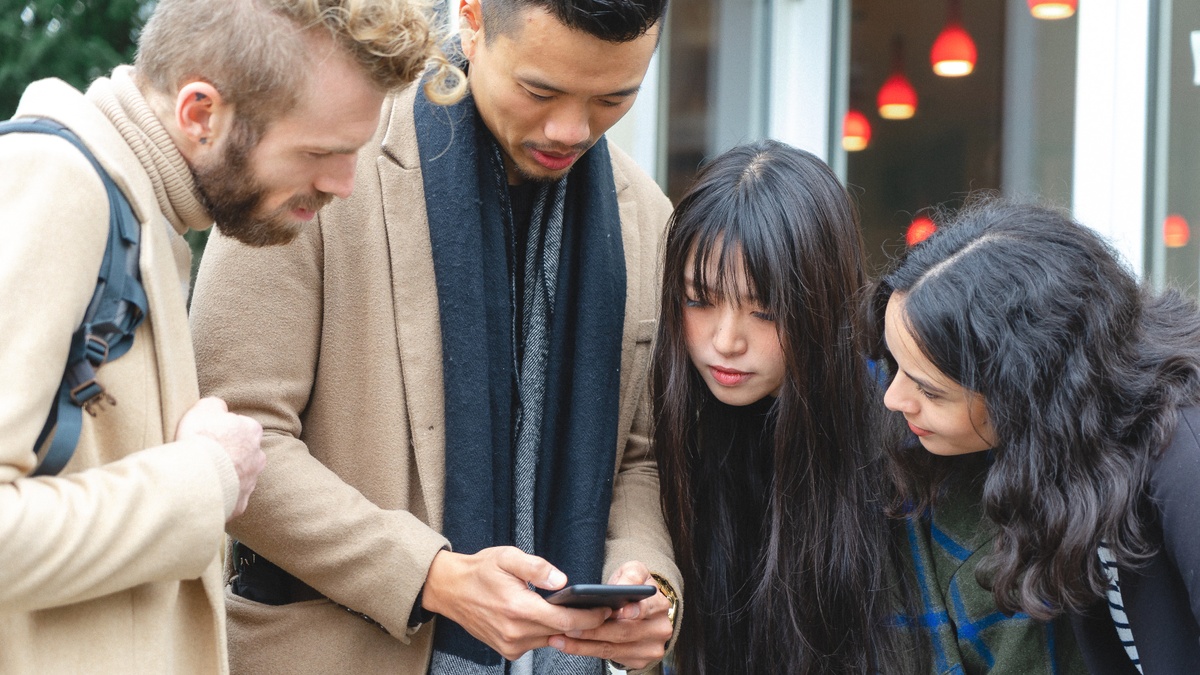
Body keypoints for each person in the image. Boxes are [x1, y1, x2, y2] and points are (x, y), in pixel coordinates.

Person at [187, 0, 681, 673]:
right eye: (539, 90)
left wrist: (652, 586)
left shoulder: (648, 216)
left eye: (614, 98)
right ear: (472, 18)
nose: (571, 128)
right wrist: (432, 576)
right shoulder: (325, 156)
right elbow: (233, 431)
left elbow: (641, 456)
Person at [0, 0, 459, 672]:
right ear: (199, 113)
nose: (344, 184)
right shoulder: (56, 183)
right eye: (322, 152)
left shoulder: (138, 209)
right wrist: (206, 477)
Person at [869, 198, 1199, 673]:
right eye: (896, 368)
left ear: (1025, 389)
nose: (893, 399)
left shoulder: (1185, 456)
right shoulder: (1083, 451)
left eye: (929, 390)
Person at [652, 140, 920, 673]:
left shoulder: (904, 430)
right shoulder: (680, 425)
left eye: (765, 311)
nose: (726, 340)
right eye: (699, 300)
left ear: (822, 303)